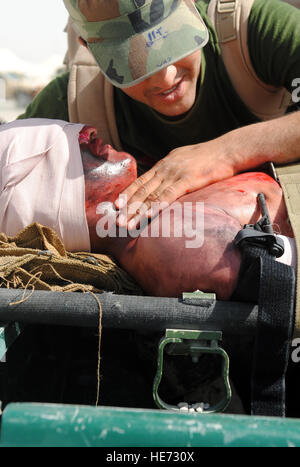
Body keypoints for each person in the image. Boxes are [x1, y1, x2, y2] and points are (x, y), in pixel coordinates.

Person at [18, 0, 300, 232]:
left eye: (173, 42)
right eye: (136, 62)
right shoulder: (78, 100)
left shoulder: (254, 31)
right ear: (89, 48)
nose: (166, 78)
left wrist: (225, 153)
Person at [0, 118, 296, 301]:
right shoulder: (172, 239)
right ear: (54, 202)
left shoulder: (166, 215)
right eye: (65, 150)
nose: (88, 133)